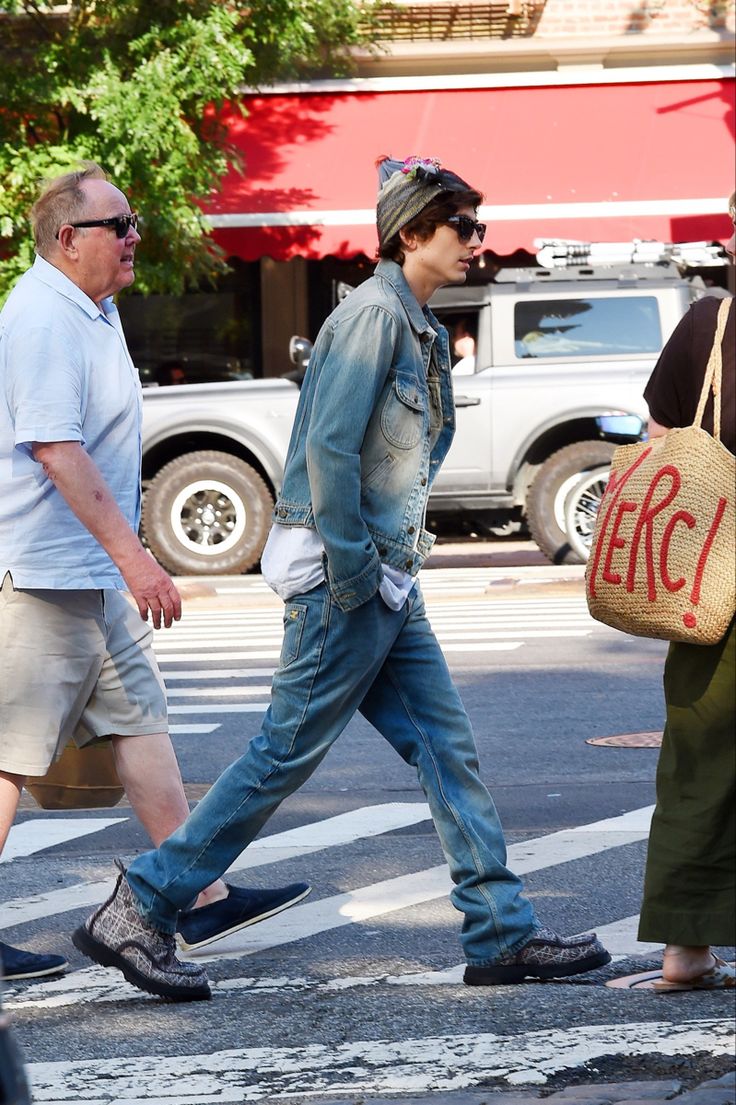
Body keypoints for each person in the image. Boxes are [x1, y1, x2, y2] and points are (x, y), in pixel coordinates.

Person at [72, 155, 610, 1002]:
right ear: (412, 234)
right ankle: (141, 902)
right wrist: (358, 573)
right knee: (281, 754)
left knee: (447, 749)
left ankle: (500, 930)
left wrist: (384, 571)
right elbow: (327, 449)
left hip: (387, 577)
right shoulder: (370, 319)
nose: (478, 240)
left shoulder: (417, 322)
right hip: (347, 578)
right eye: (463, 226)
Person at [0, 164, 308, 984]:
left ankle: (198, 893)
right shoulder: (40, 317)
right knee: (8, 754)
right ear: (68, 238)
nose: (135, 235)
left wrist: (120, 562)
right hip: (40, 575)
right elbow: (56, 451)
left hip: (88, 573)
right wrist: (138, 560)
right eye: (119, 224)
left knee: (142, 728)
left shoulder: (93, 311)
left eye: (133, 221)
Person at [636, 193, 735, 993]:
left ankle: (687, 949)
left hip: (713, 579)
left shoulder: (713, 325)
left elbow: (661, 440)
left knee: (701, 762)